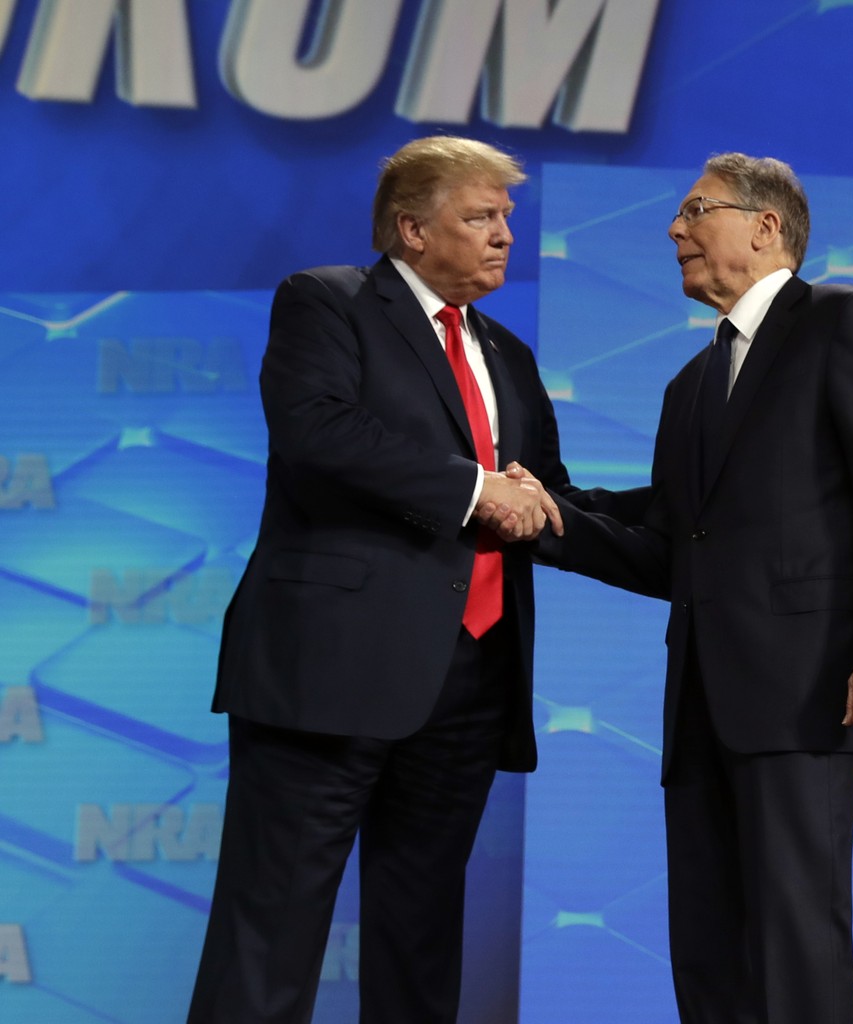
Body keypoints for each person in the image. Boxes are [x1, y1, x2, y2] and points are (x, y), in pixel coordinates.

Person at [488, 152, 853, 1024]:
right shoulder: (690, 383)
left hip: (809, 686)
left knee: (791, 930)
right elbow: (672, 544)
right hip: (700, 695)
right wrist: (548, 516)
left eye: (696, 211)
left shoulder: (841, 320)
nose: (675, 231)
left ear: (766, 227)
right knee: (707, 941)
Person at [189, 135, 571, 1024]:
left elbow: (544, 496)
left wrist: (696, 539)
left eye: (507, 216)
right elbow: (319, 432)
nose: (504, 234)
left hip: (470, 676)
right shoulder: (328, 303)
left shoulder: (506, 352)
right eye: (481, 216)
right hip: (328, 672)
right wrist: (478, 490)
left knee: (421, 937)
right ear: (410, 228)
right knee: (270, 932)